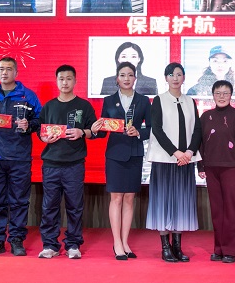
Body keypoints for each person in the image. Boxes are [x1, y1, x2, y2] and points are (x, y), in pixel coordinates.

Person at [0, 57, 41, 256]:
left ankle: (16, 239)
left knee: (19, 200)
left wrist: (29, 125)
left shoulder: (28, 96)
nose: (4, 72)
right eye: (1, 69)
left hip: (19, 157)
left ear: (16, 73)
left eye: (8, 69)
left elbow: (40, 121)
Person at [91, 62, 152, 260]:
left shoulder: (144, 101)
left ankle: (125, 242)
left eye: (130, 75)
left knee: (129, 198)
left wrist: (139, 132)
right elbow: (103, 131)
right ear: (117, 78)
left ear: (136, 78)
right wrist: (95, 129)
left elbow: (152, 128)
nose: (127, 78)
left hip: (135, 153)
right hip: (115, 154)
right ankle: (116, 242)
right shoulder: (109, 101)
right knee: (116, 197)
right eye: (123, 75)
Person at [37, 65, 98, 260]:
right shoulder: (48, 106)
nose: (65, 82)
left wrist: (82, 132)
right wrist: (44, 138)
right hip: (51, 164)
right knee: (49, 206)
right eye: (61, 79)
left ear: (75, 81)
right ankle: (50, 244)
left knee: (74, 206)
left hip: (74, 164)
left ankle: (73, 244)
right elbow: (40, 130)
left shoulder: (84, 106)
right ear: (56, 81)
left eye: (69, 78)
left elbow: (96, 131)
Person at [146, 62, 202, 262]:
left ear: (184, 77)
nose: (175, 78)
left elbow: (197, 129)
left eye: (179, 74)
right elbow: (157, 129)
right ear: (166, 78)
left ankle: (177, 246)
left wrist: (189, 152)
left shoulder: (190, 101)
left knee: (181, 202)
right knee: (163, 202)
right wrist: (176, 152)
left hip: (185, 160)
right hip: (164, 159)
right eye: (171, 75)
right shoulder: (159, 100)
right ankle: (165, 247)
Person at [197, 80, 235, 264]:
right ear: (213, 95)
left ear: (231, 95)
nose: (221, 96)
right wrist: (200, 166)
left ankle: (231, 250)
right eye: (218, 93)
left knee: (230, 209)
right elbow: (200, 143)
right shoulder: (206, 116)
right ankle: (219, 249)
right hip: (211, 167)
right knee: (216, 210)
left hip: (232, 168)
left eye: (225, 93)